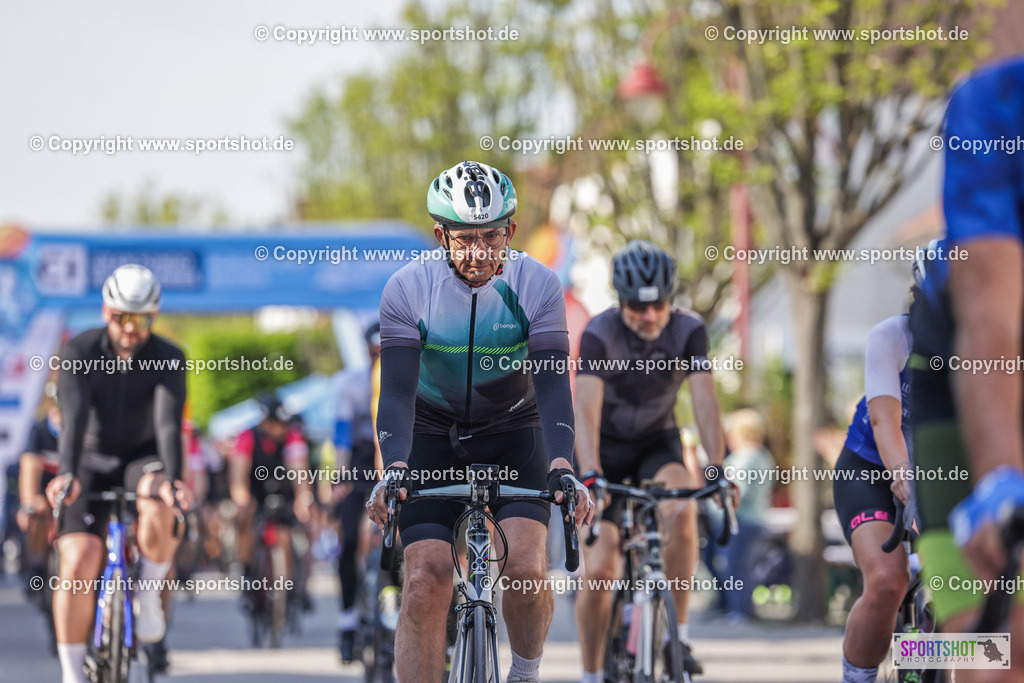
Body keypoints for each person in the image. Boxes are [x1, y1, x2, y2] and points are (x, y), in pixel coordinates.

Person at [365, 160, 592, 683]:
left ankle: (524, 674)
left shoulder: (538, 284)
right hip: (431, 433)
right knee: (425, 578)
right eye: (465, 239)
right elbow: (396, 391)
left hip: (515, 429)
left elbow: (553, 383)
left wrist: (562, 464)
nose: (479, 252)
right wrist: (394, 466)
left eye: (491, 236)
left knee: (526, 568)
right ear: (440, 236)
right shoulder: (407, 288)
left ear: (510, 231)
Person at [909, 57, 1024, 682]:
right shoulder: (997, 107)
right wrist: (1001, 484)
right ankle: (911, 653)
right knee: (997, 644)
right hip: (960, 387)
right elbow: (989, 331)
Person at [573, 239, 730, 682]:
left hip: (655, 444)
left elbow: (705, 401)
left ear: (671, 298)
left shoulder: (689, 329)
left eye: (658, 305)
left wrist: (716, 468)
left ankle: (676, 637)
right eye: (637, 307)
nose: (649, 316)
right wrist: (591, 474)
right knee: (600, 569)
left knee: (684, 509)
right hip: (600, 447)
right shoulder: (600, 332)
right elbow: (585, 409)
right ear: (619, 300)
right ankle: (590, 673)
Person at [43, 264, 192, 683]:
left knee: (160, 503)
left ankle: (149, 591)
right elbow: (73, 421)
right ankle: (72, 674)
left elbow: (168, 425)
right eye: (121, 317)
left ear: (153, 316)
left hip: (141, 458)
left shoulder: (169, 357)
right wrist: (67, 475)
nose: (129, 328)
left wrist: (174, 481)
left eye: (141, 319)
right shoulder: (78, 351)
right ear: (106, 311)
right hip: (89, 458)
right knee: (79, 561)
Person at [833, 304, 917, 683]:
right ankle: (858, 677)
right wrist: (903, 475)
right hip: (869, 470)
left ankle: (932, 658)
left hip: (948, 473)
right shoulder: (893, 335)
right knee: (888, 579)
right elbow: (885, 422)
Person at [228, 393, 313, 605]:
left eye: (285, 424)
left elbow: (300, 472)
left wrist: (303, 499)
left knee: (297, 529)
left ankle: (296, 585)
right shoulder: (247, 436)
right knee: (244, 517)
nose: (282, 429)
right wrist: (243, 501)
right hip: (255, 490)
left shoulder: (293, 435)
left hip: (283, 489)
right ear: (265, 422)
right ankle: (248, 573)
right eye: (277, 424)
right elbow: (238, 478)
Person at [331, 322, 382, 661]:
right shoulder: (349, 384)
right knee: (349, 541)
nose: (379, 359)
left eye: (384, 353)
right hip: (359, 462)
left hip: (394, 457)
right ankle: (348, 620)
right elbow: (342, 435)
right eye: (374, 353)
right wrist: (340, 476)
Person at [718, 408, 774, 621]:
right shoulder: (763, 455)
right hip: (758, 519)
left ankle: (739, 612)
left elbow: (739, 492)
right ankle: (742, 610)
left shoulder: (745, 458)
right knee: (745, 567)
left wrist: (717, 508)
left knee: (734, 567)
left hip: (740, 520)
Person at [17, 382, 62, 594]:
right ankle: (37, 568)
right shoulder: (39, 430)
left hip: (70, 493)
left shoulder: (81, 429)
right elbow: (29, 466)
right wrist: (30, 499)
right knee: (35, 511)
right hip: (44, 492)